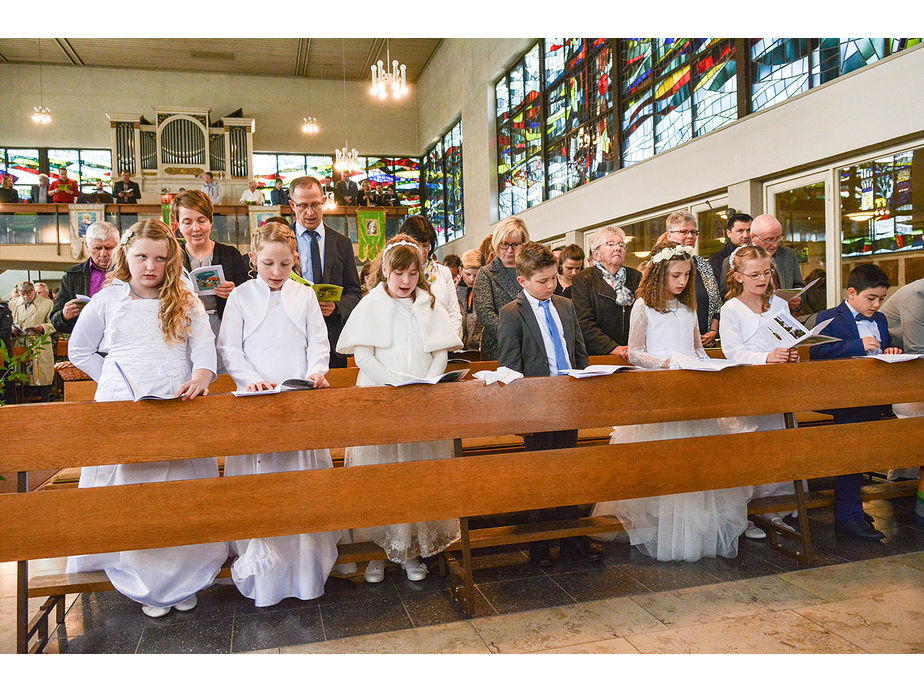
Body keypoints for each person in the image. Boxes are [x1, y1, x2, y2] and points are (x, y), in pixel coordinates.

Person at [66, 219, 227, 617]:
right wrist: (112, 384)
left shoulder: (185, 300)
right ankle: (140, 579)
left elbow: (205, 348)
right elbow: (79, 350)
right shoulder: (108, 299)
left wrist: (201, 377)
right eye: (141, 257)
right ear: (127, 256)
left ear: (171, 260)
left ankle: (182, 577)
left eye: (159, 258)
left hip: (176, 403)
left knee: (177, 493)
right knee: (131, 494)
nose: (150, 266)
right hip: (124, 407)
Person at [592, 241, 752, 561]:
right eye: (676, 275)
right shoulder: (643, 306)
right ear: (660, 275)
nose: (681, 282)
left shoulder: (689, 306)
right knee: (660, 461)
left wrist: (712, 365)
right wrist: (663, 364)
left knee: (695, 461)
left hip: (689, 388)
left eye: (686, 276)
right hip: (659, 390)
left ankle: (697, 527)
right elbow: (635, 351)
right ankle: (660, 524)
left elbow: (697, 349)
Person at [217, 222, 339, 606]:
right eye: (268, 263)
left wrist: (315, 372)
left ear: (295, 261)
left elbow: (318, 341)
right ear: (254, 259)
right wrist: (251, 379)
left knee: (299, 485)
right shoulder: (240, 297)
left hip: (296, 397)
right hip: (255, 398)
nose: (275, 272)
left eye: (284, 264)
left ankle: (305, 574)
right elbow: (228, 347)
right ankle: (266, 579)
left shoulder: (303, 294)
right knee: (263, 487)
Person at [336, 235, 462, 583]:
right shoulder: (372, 304)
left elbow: (440, 352)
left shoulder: (428, 303)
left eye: (411, 273)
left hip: (420, 401)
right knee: (381, 476)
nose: (405, 281)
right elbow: (363, 356)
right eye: (398, 274)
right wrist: (393, 383)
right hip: (381, 398)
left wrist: (426, 382)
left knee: (414, 475)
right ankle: (377, 552)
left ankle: (408, 551)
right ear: (385, 273)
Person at [497, 241, 597, 566]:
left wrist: (582, 388)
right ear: (522, 281)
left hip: (568, 399)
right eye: (543, 281)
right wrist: (523, 411)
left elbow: (578, 352)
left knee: (567, 472)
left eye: (553, 278)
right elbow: (510, 366)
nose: (551, 285)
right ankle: (538, 544)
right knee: (540, 475)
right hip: (535, 407)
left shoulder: (565, 306)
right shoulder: (512, 314)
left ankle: (571, 541)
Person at [810, 263, 901, 541]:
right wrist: (858, 345)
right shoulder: (830, 317)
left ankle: (854, 510)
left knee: (865, 455)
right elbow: (816, 351)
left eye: (881, 298)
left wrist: (890, 350)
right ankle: (848, 515)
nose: (876, 304)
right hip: (842, 399)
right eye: (871, 298)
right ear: (851, 293)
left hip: (872, 397)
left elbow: (879, 349)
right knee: (851, 456)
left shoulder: (881, 319)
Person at [719, 245, 800, 540]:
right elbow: (732, 351)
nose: (762, 279)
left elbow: (790, 340)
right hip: (748, 388)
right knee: (750, 453)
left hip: (777, 388)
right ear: (738, 276)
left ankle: (773, 511)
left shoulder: (779, 305)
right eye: (754, 274)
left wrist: (791, 355)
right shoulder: (731, 309)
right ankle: (746, 516)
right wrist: (766, 357)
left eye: (767, 273)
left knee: (777, 450)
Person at [288, 175, 363, 368]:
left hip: (331, 339)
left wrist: (336, 306)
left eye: (315, 205)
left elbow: (354, 293)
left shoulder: (342, 243)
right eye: (303, 206)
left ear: (324, 201)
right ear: (292, 205)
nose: (310, 212)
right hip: (292, 338)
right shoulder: (280, 241)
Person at [171, 191, 249, 351]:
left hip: (223, 326)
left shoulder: (230, 254)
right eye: (187, 222)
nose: (196, 228)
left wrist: (234, 292)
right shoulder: (171, 256)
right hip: (184, 327)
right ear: (178, 224)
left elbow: (249, 297)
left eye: (201, 220)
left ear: (211, 220)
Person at [571, 226, 641, 358]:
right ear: (596, 254)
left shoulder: (636, 277)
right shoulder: (584, 279)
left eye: (621, 244)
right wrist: (612, 348)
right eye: (611, 244)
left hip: (633, 353)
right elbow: (584, 322)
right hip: (599, 355)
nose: (618, 248)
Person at [473, 217, 530, 359]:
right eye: (505, 244)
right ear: (497, 243)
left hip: (531, 345)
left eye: (515, 245)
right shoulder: (486, 273)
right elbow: (485, 313)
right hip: (499, 346)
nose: (510, 250)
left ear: (524, 244)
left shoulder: (530, 271)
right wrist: (514, 334)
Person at [663, 210, 722, 346]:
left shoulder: (703, 264)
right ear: (669, 235)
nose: (690, 236)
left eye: (694, 232)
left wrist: (713, 331)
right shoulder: (660, 265)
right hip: (674, 344)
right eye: (684, 232)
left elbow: (716, 302)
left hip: (705, 344)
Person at [51, 221, 121, 334]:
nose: (103, 254)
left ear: (119, 246)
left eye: (108, 248)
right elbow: (55, 321)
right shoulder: (73, 276)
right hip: (87, 340)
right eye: (97, 248)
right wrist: (64, 316)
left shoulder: (131, 271)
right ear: (87, 246)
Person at [399, 215, 463, 338]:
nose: (422, 252)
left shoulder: (443, 272)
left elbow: (454, 313)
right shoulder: (398, 275)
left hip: (443, 343)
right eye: (417, 245)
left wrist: (450, 341)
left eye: (426, 245)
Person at [11, 281, 56, 401]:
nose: (26, 297)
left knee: (41, 376)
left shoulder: (47, 304)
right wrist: (12, 330)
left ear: (33, 292)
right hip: (20, 343)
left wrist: (42, 328)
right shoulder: (13, 304)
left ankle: (44, 402)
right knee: (22, 377)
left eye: (28, 294)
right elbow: (8, 322)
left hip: (39, 342)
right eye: (22, 294)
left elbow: (54, 324)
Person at [710, 212, 752, 289]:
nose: (746, 235)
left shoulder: (758, 253)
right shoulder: (718, 259)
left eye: (749, 230)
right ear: (729, 233)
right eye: (740, 231)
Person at [457, 249, 483, 351]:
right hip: (461, 348)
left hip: (480, 348)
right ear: (460, 270)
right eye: (467, 274)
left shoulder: (485, 291)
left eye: (476, 275)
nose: (472, 279)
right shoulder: (455, 291)